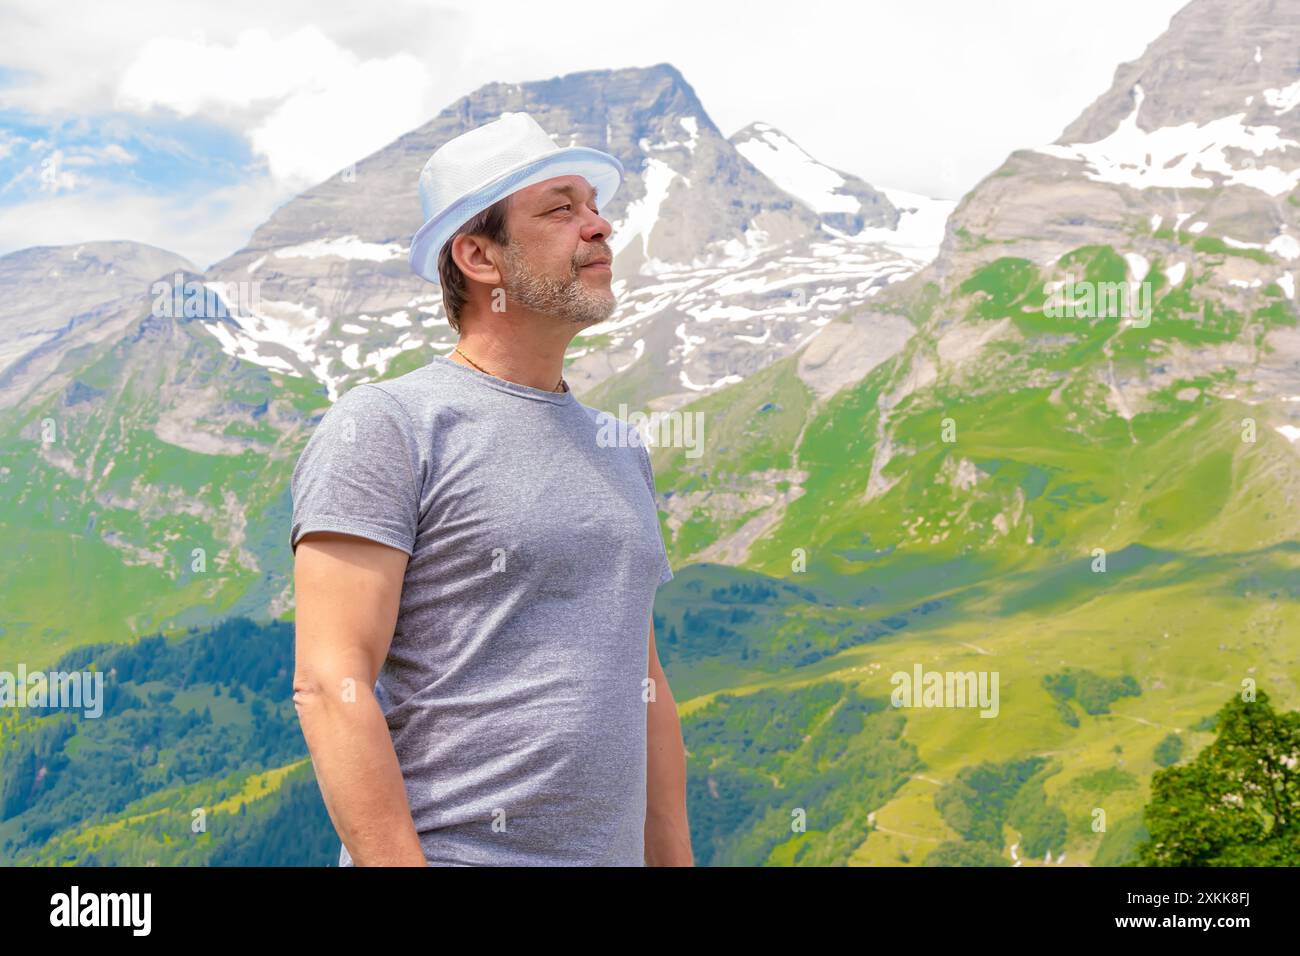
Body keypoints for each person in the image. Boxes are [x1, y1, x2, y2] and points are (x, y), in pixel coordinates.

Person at [289, 111, 692, 866]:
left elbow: (644, 686)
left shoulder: (620, 448)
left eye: (595, 206)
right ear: (479, 256)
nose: (599, 227)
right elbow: (328, 680)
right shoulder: (389, 425)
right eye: (560, 208)